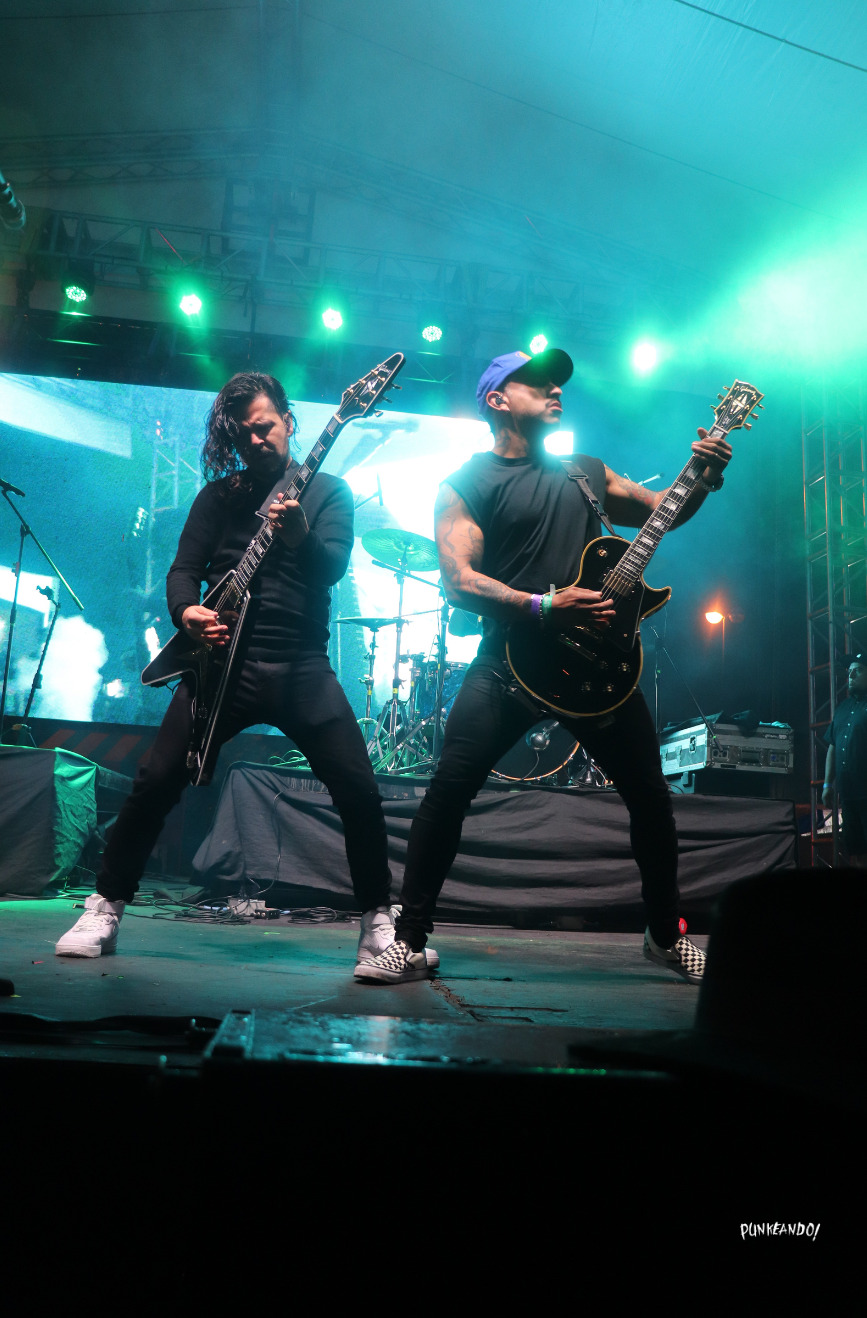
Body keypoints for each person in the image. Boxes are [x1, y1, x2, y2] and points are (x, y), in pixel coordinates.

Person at [355, 347, 731, 985]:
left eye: (558, 382)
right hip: (509, 662)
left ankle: (666, 937)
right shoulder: (467, 483)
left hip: (599, 668)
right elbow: (458, 580)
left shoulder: (585, 471)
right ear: (497, 399)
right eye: (536, 383)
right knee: (448, 792)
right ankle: (410, 941)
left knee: (651, 799)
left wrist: (704, 475)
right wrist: (542, 605)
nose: (555, 389)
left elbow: (664, 510)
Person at [56, 371, 430, 973]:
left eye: (265, 426)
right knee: (156, 780)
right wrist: (188, 612)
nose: (257, 440)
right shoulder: (218, 498)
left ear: (288, 421)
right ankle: (105, 906)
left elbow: (332, 569)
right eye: (244, 434)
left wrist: (301, 535)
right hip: (222, 668)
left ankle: (376, 923)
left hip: (300, 665)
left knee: (359, 790)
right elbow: (183, 570)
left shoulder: (328, 492)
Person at [823, 655, 867, 867]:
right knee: (855, 850)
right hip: (848, 794)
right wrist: (826, 784)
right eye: (849, 671)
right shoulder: (842, 708)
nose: (850, 675)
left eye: (857, 670)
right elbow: (833, 745)